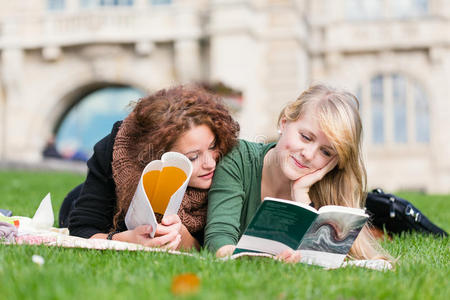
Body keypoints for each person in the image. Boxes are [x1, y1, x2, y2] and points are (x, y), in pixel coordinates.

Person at [205, 84, 391, 263]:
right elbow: (219, 240)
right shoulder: (239, 158)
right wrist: (255, 259)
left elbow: (322, 259)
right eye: (306, 137)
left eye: (326, 152)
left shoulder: (326, 186)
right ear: (284, 123)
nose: (308, 155)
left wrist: (302, 197)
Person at [59, 85, 239, 250]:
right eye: (192, 157)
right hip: (83, 203)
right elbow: (82, 229)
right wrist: (124, 240)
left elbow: (209, 246)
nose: (210, 163)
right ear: (158, 158)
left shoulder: (230, 163)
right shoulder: (113, 151)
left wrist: (182, 236)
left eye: (213, 146)